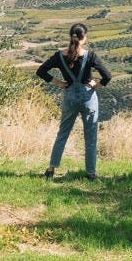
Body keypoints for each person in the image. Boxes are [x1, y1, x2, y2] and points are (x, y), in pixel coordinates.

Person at [36, 23, 112, 180]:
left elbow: (41, 71)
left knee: (62, 133)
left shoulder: (59, 56)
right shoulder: (90, 56)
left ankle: (51, 168)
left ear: (70, 36)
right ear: (85, 38)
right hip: (88, 98)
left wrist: (60, 83)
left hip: (70, 97)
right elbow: (107, 76)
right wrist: (96, 85)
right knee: (90, 137)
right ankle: (91, 173)